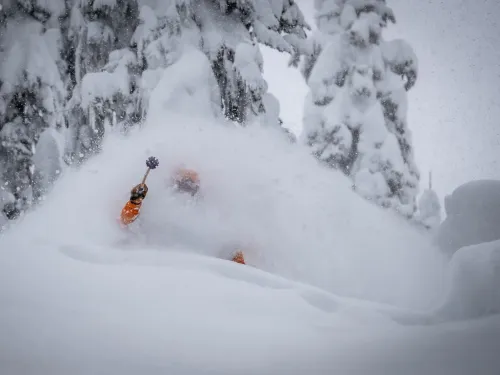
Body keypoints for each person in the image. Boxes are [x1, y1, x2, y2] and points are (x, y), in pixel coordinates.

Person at [119, 168, 245, 265]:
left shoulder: (208, 218)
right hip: (152, 261)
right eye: (182, 184)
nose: (186, 189)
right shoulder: (156, 209)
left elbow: (226, 247)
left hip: (199, 271)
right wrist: (134, 202)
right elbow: (126, 222)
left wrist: (237, 259)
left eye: (191, 186)